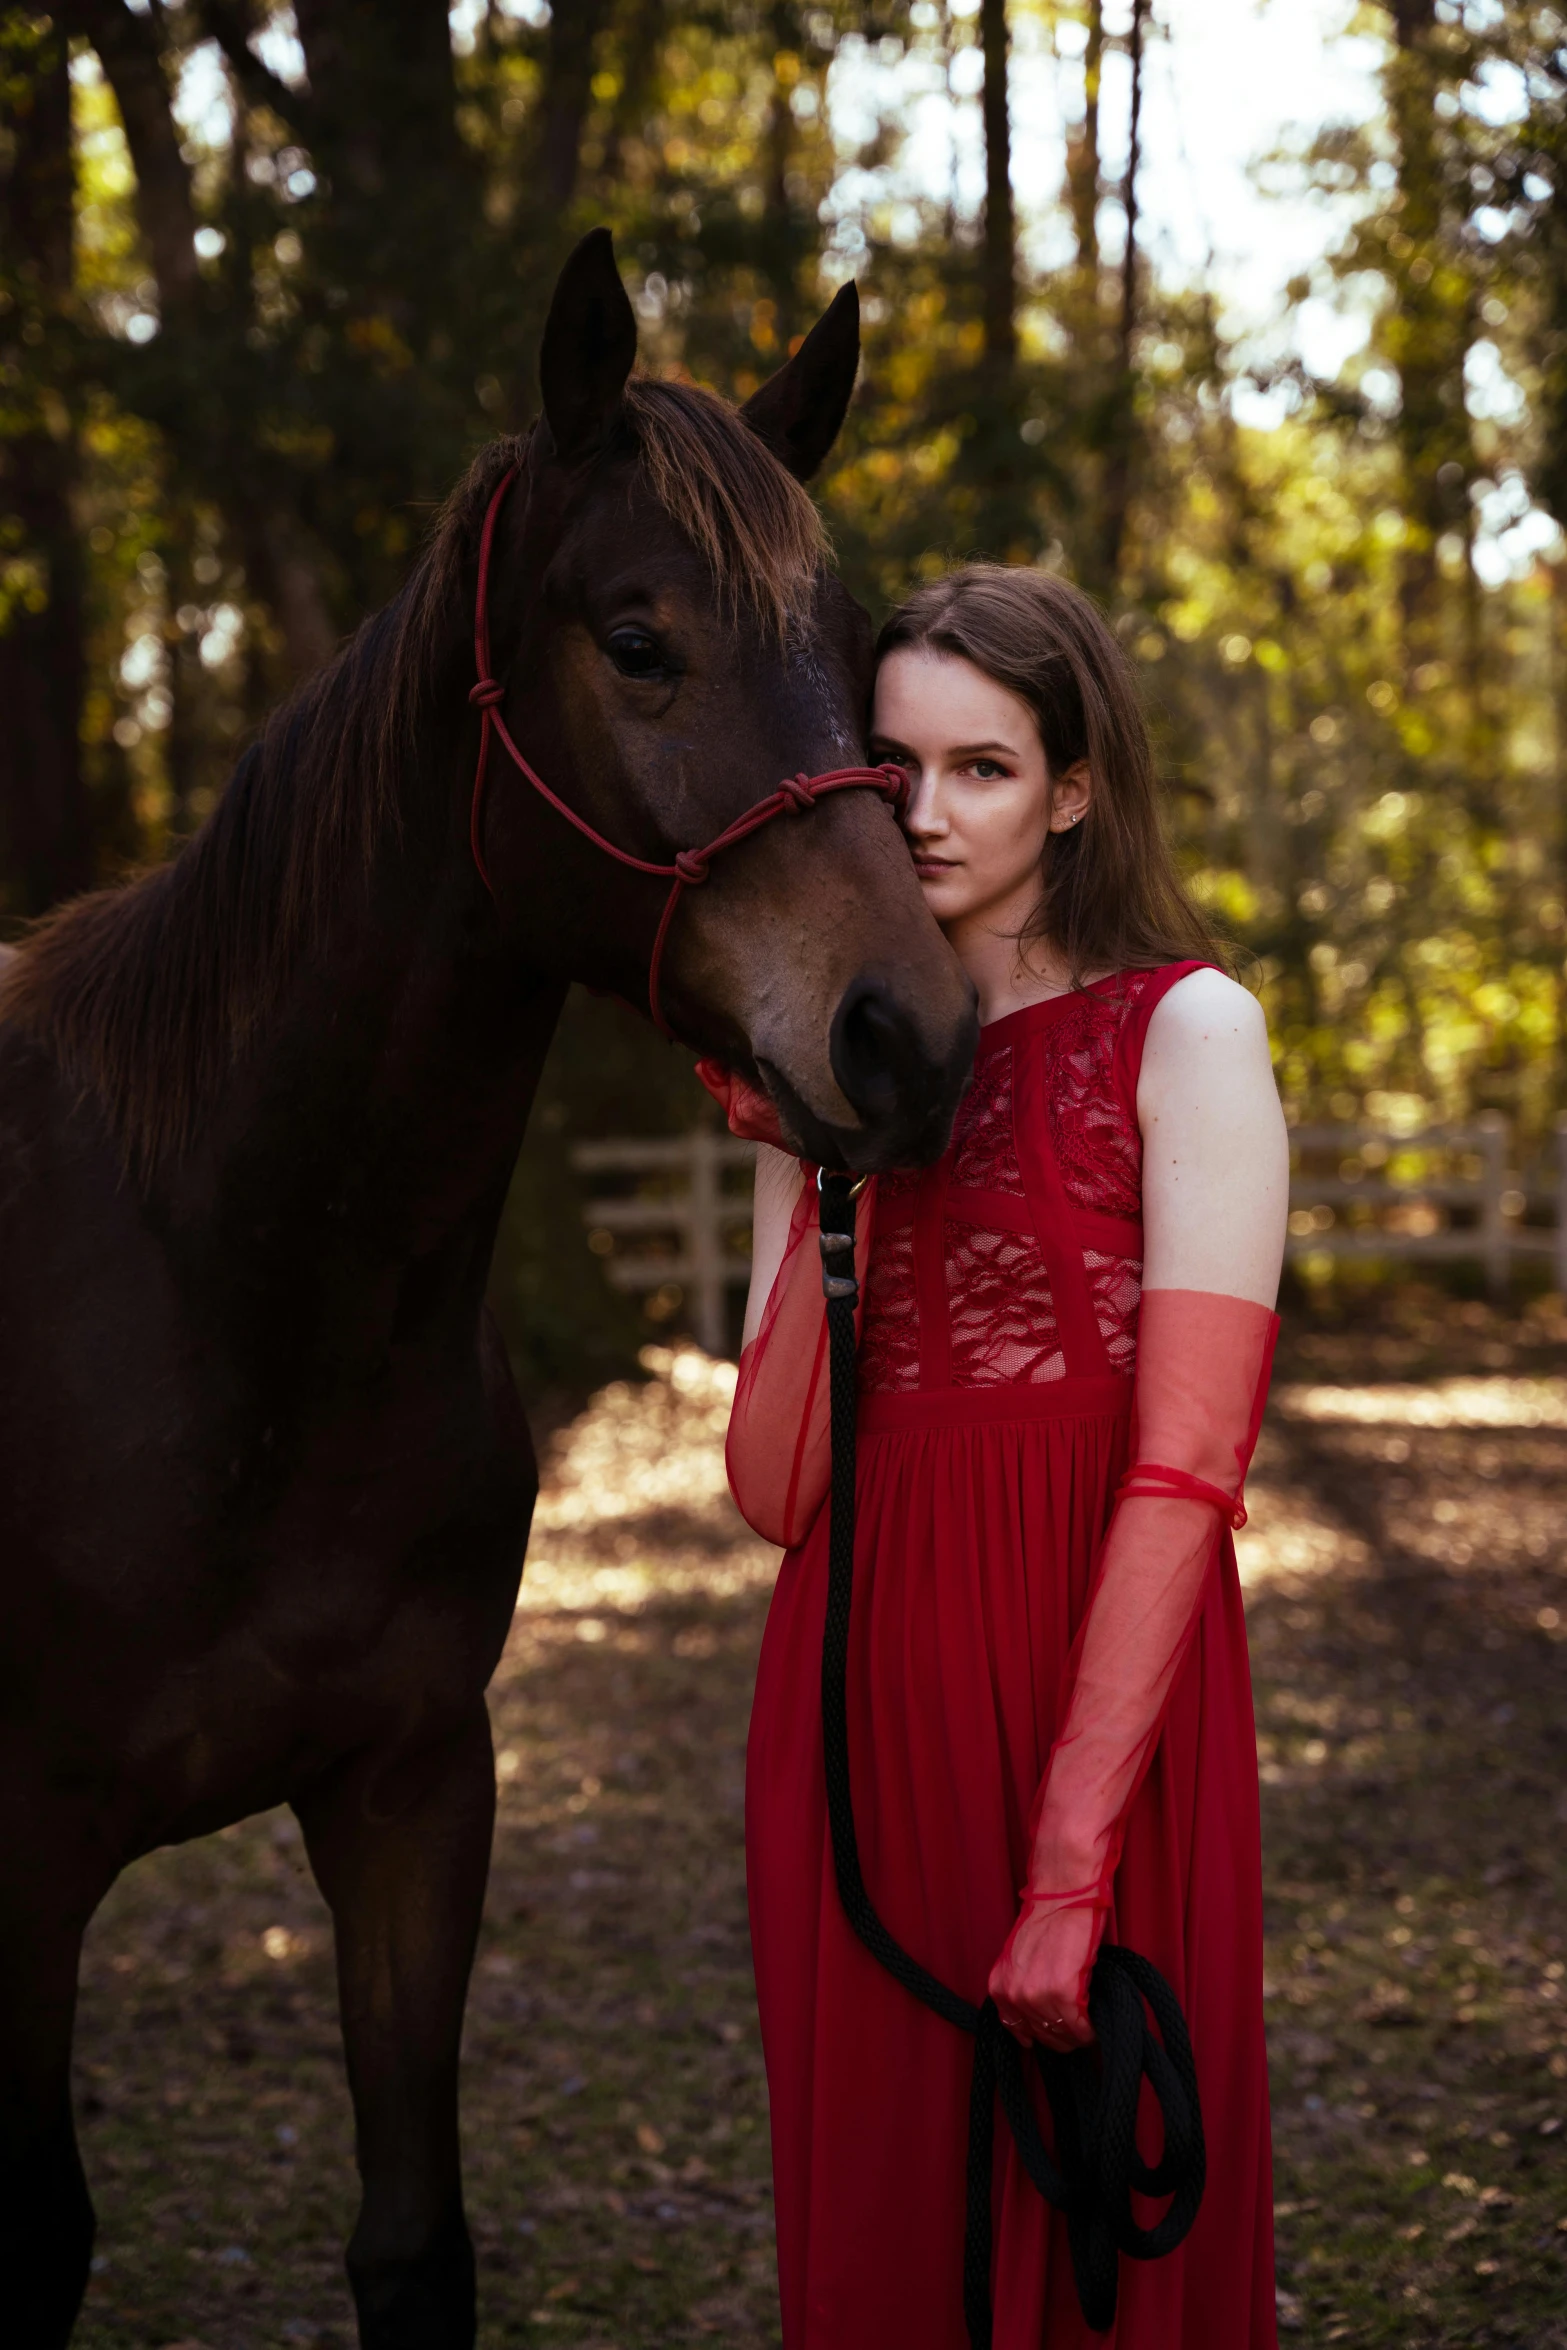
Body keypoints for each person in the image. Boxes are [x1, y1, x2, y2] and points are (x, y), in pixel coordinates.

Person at [699, 562, 1288, 2350]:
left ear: (1074, 788)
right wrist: (814, 1151)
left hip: (1088, 1694)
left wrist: (1068, 1866)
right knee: (888, 2221)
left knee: (1090, 2196)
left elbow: (1186, 1469)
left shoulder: (1186, 1030)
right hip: (858, 1692)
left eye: (982, 768)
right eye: (897, 769)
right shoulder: (835, 1052)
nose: (930, 811)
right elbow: (775, 1484)